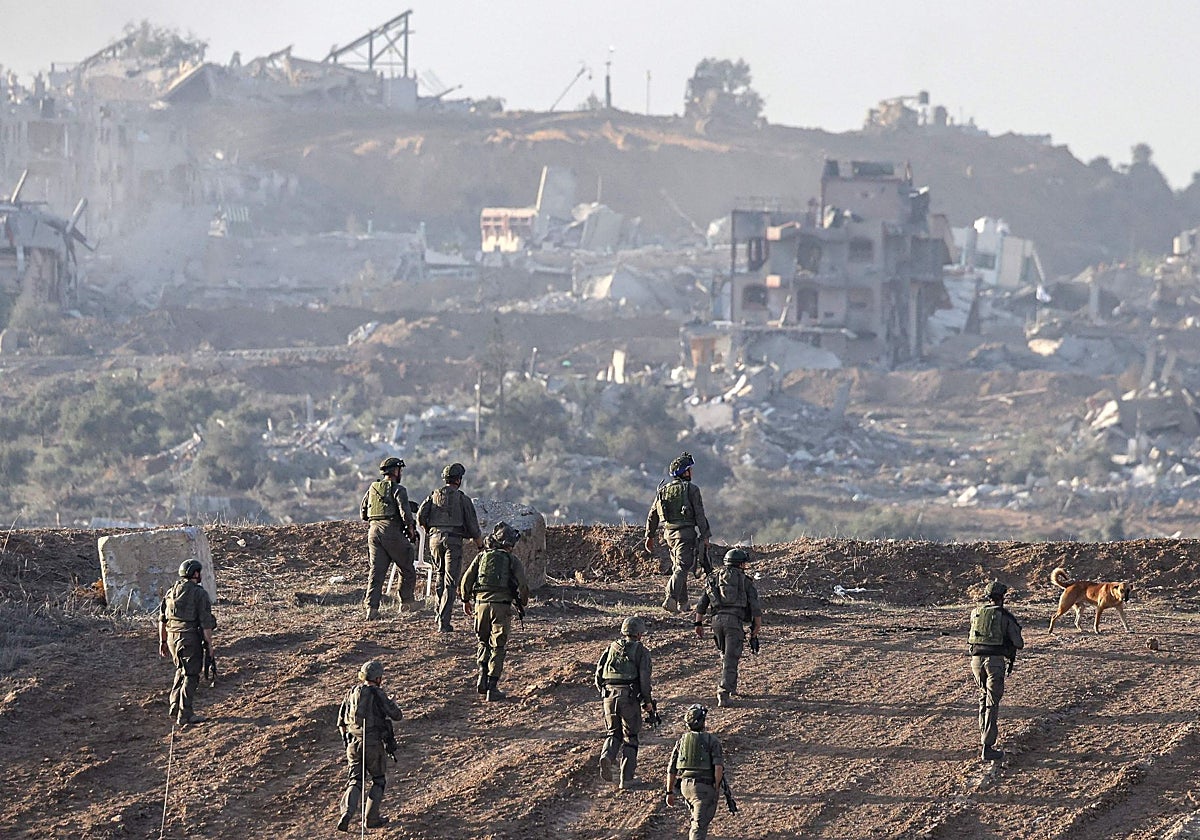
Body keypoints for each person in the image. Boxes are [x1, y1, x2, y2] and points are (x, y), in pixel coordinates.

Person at [459, 522, 529, 702]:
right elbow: (523, 585)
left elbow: (466, 579)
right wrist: (523, 602)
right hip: (501, 607)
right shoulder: (512, 560)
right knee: (498, 646)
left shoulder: (482, 557)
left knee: (483, 642)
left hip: (480, 605)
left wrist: (466, 600)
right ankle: (492, 687)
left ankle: (482, 677)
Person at [336, 660, 404, 831]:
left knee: (355, 781)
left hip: (353, 744)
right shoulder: (378, 694)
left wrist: (347, 741)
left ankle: (346, 813)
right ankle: (371, 819)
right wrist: (391, 703)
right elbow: (397, 715)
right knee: (379, 780)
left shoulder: (351, 692)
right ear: (378, 678)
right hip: (373, 745)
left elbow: (341, 722)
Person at [417, 462, 484, 632]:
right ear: (459, 480)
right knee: (450, 582)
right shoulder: (462, 499)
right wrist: (480, 546)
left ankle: (438, 613)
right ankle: (444, 621)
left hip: (434, 540)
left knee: (439, 576)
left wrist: (429, 530)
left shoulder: (434, 495)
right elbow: (473, 526)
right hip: (453, 541)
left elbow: (421, 516)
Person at [693, 548, 762, 708]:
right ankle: (724, 693)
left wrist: (698, 623)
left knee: (725, 655)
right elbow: (755, 607)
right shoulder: (745, 581)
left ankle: (731, 686)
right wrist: (756, 627)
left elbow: (702, 603)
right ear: (740, 564)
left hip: (716, 621)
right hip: (734, 622)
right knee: (732, 657)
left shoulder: (714, 578)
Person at [645, 452, 712, 613]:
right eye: (689, 469)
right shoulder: (692, 489)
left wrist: (650, 536)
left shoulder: (663, 491)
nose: (691, 472)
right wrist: (705, 535)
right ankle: (671, 598)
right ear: (685, 472)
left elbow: (653, 515)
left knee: (679, 567)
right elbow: (699, 514)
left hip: (669, 535)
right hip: (685, 534)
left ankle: (683, 603)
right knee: (682, 567)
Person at [594, 616, 655, 790]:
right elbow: (644, 680)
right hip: (628, 697)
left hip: (609, 696)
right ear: (639, 634)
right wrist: (647, 702)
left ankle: (607, 756)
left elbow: (598, 674)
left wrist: (604, 692)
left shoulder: (611, 647)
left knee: (613, 733)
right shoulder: (641, 651)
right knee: (631, 737)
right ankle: (626, 778)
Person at [968, 579, 1025, 761]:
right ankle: (987, 746)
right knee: (992, 703)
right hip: (994, 663)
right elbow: (1019, 643)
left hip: (976, 661)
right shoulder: (1005, 616)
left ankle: (984, 736)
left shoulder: (976, 612)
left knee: (983, 697)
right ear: (1002, 597)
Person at [159, 559, 217, 726]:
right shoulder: (199, 594)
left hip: (172, 638)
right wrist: (210, 646)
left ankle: (174, 704)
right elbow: (206, 623)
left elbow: (162, 620)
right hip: (189, 638)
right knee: (191, 675)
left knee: (181, 669)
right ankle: (185, 714)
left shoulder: (171, 591)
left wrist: (163, 641)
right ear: (196, 573)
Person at [360, 456, 419, 620]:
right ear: (396, 471)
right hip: (391, 531)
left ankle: (371, 609)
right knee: (407, 566)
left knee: (376, 572)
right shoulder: (399, 489)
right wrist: (411, 530)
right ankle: (406, 603)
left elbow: (363, 513)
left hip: (373, 532)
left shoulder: (373, 488)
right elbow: (405, 514)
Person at [666, 704, 724, 840]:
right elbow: (718, 767)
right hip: (703, 789)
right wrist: (717, 787)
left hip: (685, 787)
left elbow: (671, 769)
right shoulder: (712, 741)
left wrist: (669, 792)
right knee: (698, 827)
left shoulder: (681, 741)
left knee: (696, 820)